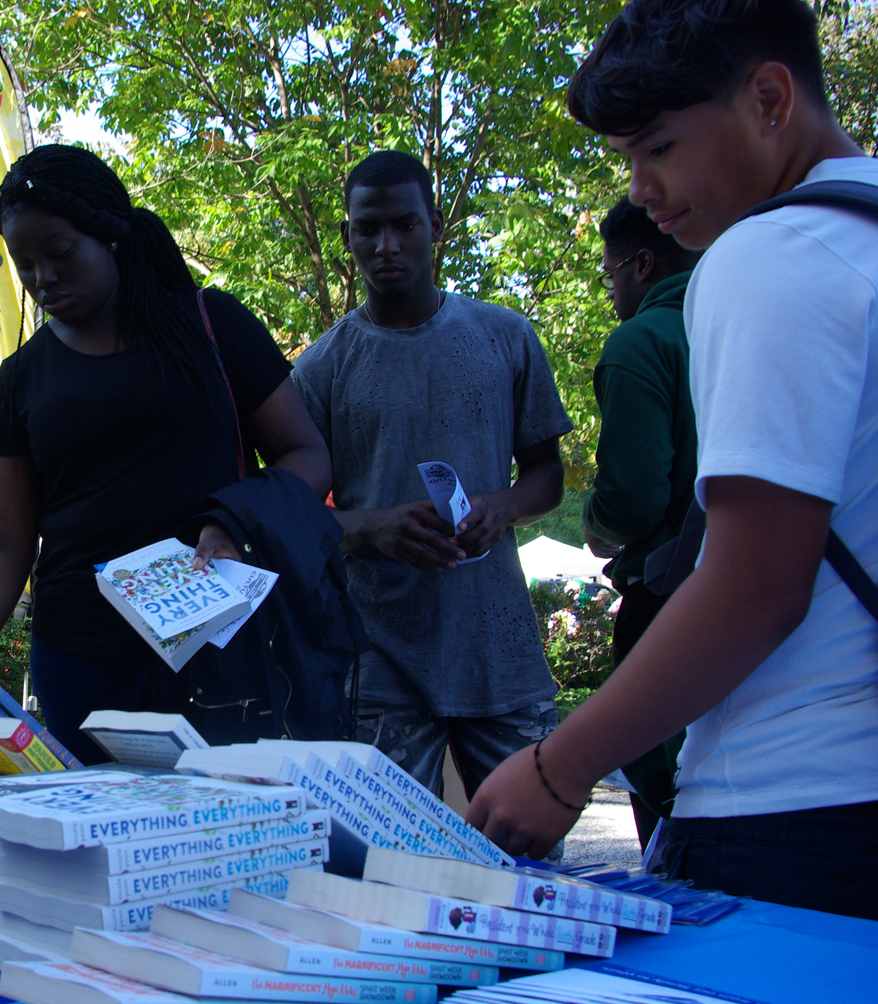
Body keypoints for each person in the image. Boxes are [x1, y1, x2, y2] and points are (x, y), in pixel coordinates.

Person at [466, 0, 878, 920]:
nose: (642, 190)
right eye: (627, 158)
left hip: (794, 812)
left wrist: (560, 766)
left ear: (769, 99)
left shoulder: (771, 255)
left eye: (658, 148)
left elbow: (756, 589)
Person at [0, 144, 331, 764]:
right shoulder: (19, 383)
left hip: (216, 653)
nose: (43, 278)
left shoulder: (212, 326)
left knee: (215, 821)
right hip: (81, 665)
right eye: (25, 263)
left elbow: (306, 454)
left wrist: (233, 522)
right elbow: (1, 547)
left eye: (60, 253)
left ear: (109, 234)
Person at [291, 150, 573, 805]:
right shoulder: (321, 368)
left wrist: (502, 507)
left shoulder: (504, 337)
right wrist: (370, 528)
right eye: (368, 229)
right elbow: (293, 517)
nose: (386, 245)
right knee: (386, 853)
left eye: (405, 225)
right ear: (347, 236)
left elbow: (547, 476)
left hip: (498, 650)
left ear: (435, 225)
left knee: (527, 845)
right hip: (378, 657)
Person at [580, 197, 702, 847]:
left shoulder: (642, 342)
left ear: (642, 265)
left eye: (610, 273)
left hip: (667, 594)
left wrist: (596, 523)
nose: (610, 290)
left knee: (667, 782)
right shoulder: (747, 321)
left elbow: (632, 500)